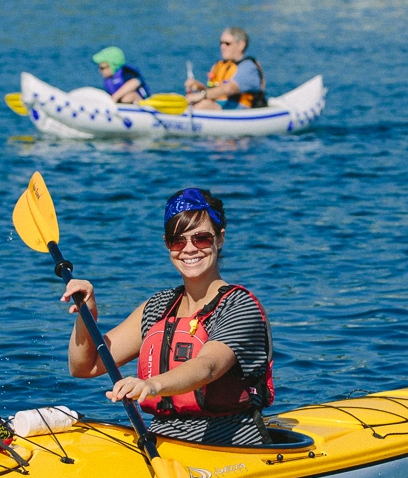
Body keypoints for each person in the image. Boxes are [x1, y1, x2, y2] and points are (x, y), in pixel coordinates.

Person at [59, 188, 276, 447]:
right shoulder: (159, 307)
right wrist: (87, 315)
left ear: (220, 239)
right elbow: (84, 366)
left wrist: (151, 385)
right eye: (177, 241)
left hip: (231, 450)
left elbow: (207, 367)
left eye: (202, 238)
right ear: (167, 245)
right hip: (160, 444)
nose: (189, 249)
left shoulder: (239, 307)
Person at [184, 27, 267, 110]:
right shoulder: (219, 65)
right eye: (221, 43)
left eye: (227, 43)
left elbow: (230, 88)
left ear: (241, 45)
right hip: (220, 104)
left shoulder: (248, 68)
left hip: (240, 110)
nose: (222, 47)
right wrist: (199, 86)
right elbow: (214, 92)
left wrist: (201, 95)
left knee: (204, 104)